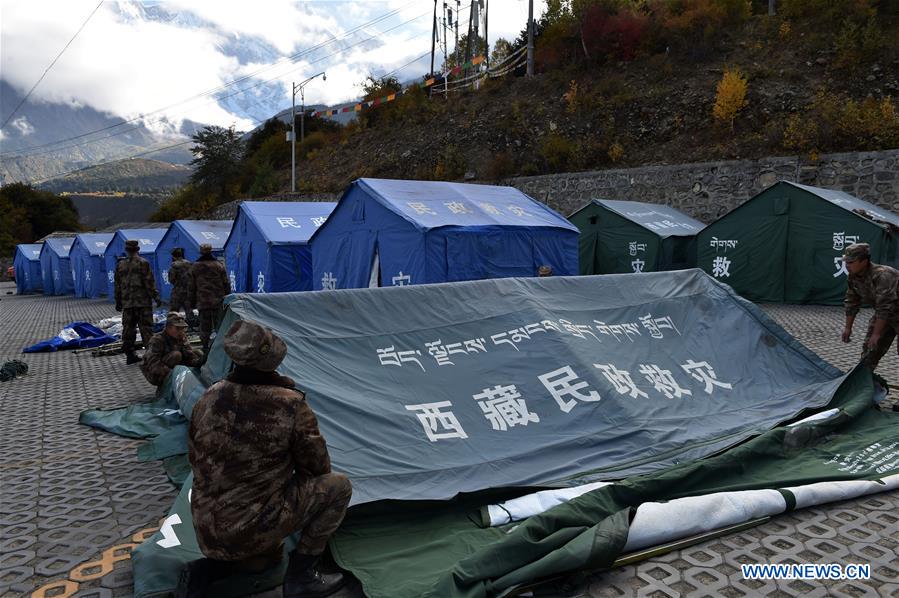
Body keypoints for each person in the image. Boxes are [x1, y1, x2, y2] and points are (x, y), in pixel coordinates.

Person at [184, 320, 352, 597]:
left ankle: (212, 568)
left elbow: (194, 455)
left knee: (265, 558)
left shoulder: (209, 396)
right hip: (248, 527)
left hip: (205, 526)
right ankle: (303, 575)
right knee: (337, 486)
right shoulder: (289, 404)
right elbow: (317, 467)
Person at [841, 242, 899, 371]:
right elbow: (852, 301)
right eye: (846, 262)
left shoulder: (883, 275)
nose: (847, 265)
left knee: (875, 339)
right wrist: (847, 328)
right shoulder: (853, 277)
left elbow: (885, 306)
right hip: (886, 315)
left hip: (889, 310)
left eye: (851, 262)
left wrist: (877, 334)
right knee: (869, 351)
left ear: (864, 261)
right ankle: (861, 381)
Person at [115, 239, 162, 365]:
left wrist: (118, 302)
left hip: (128, 303)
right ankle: (151, 356)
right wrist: (156, 297)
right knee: (146, 329)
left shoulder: (120, 264)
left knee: (128, 329)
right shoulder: (143, 263)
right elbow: (149, 283)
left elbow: (117, 285)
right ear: (138, 249)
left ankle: (130, 355)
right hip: (143, 303)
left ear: (126, 250)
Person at [140, 312, 204, 386]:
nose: (181, 331)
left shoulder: (181, 337)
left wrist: (199, 361)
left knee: (198, 352)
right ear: (168, 327)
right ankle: (168, 384)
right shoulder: (157, 340)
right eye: (178, 328)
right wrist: (174, 373)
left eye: (182, 328)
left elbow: (189, 355)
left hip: (174, 368)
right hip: (156, 373)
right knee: (176, 355)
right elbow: (153, 364)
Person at [189, 243, 231, 352]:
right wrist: (228, 298)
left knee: (204, 326)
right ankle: (222, 346)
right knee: (220, 325)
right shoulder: (219, 265)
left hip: (203, 301)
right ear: (211, 250)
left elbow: (191, 286)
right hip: (218, 300)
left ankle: (205, 347)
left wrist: (191, 302)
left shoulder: (195, 267)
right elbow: (226, 283)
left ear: (200, 251)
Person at [168, 248, 194, 325]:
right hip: (188, 290)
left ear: (173, 256)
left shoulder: (174, 265)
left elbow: (171, 279)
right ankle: (192, 326)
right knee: (189, 310)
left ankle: (173, 325)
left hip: (177, 291)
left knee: (174, 311)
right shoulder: (189, 264)